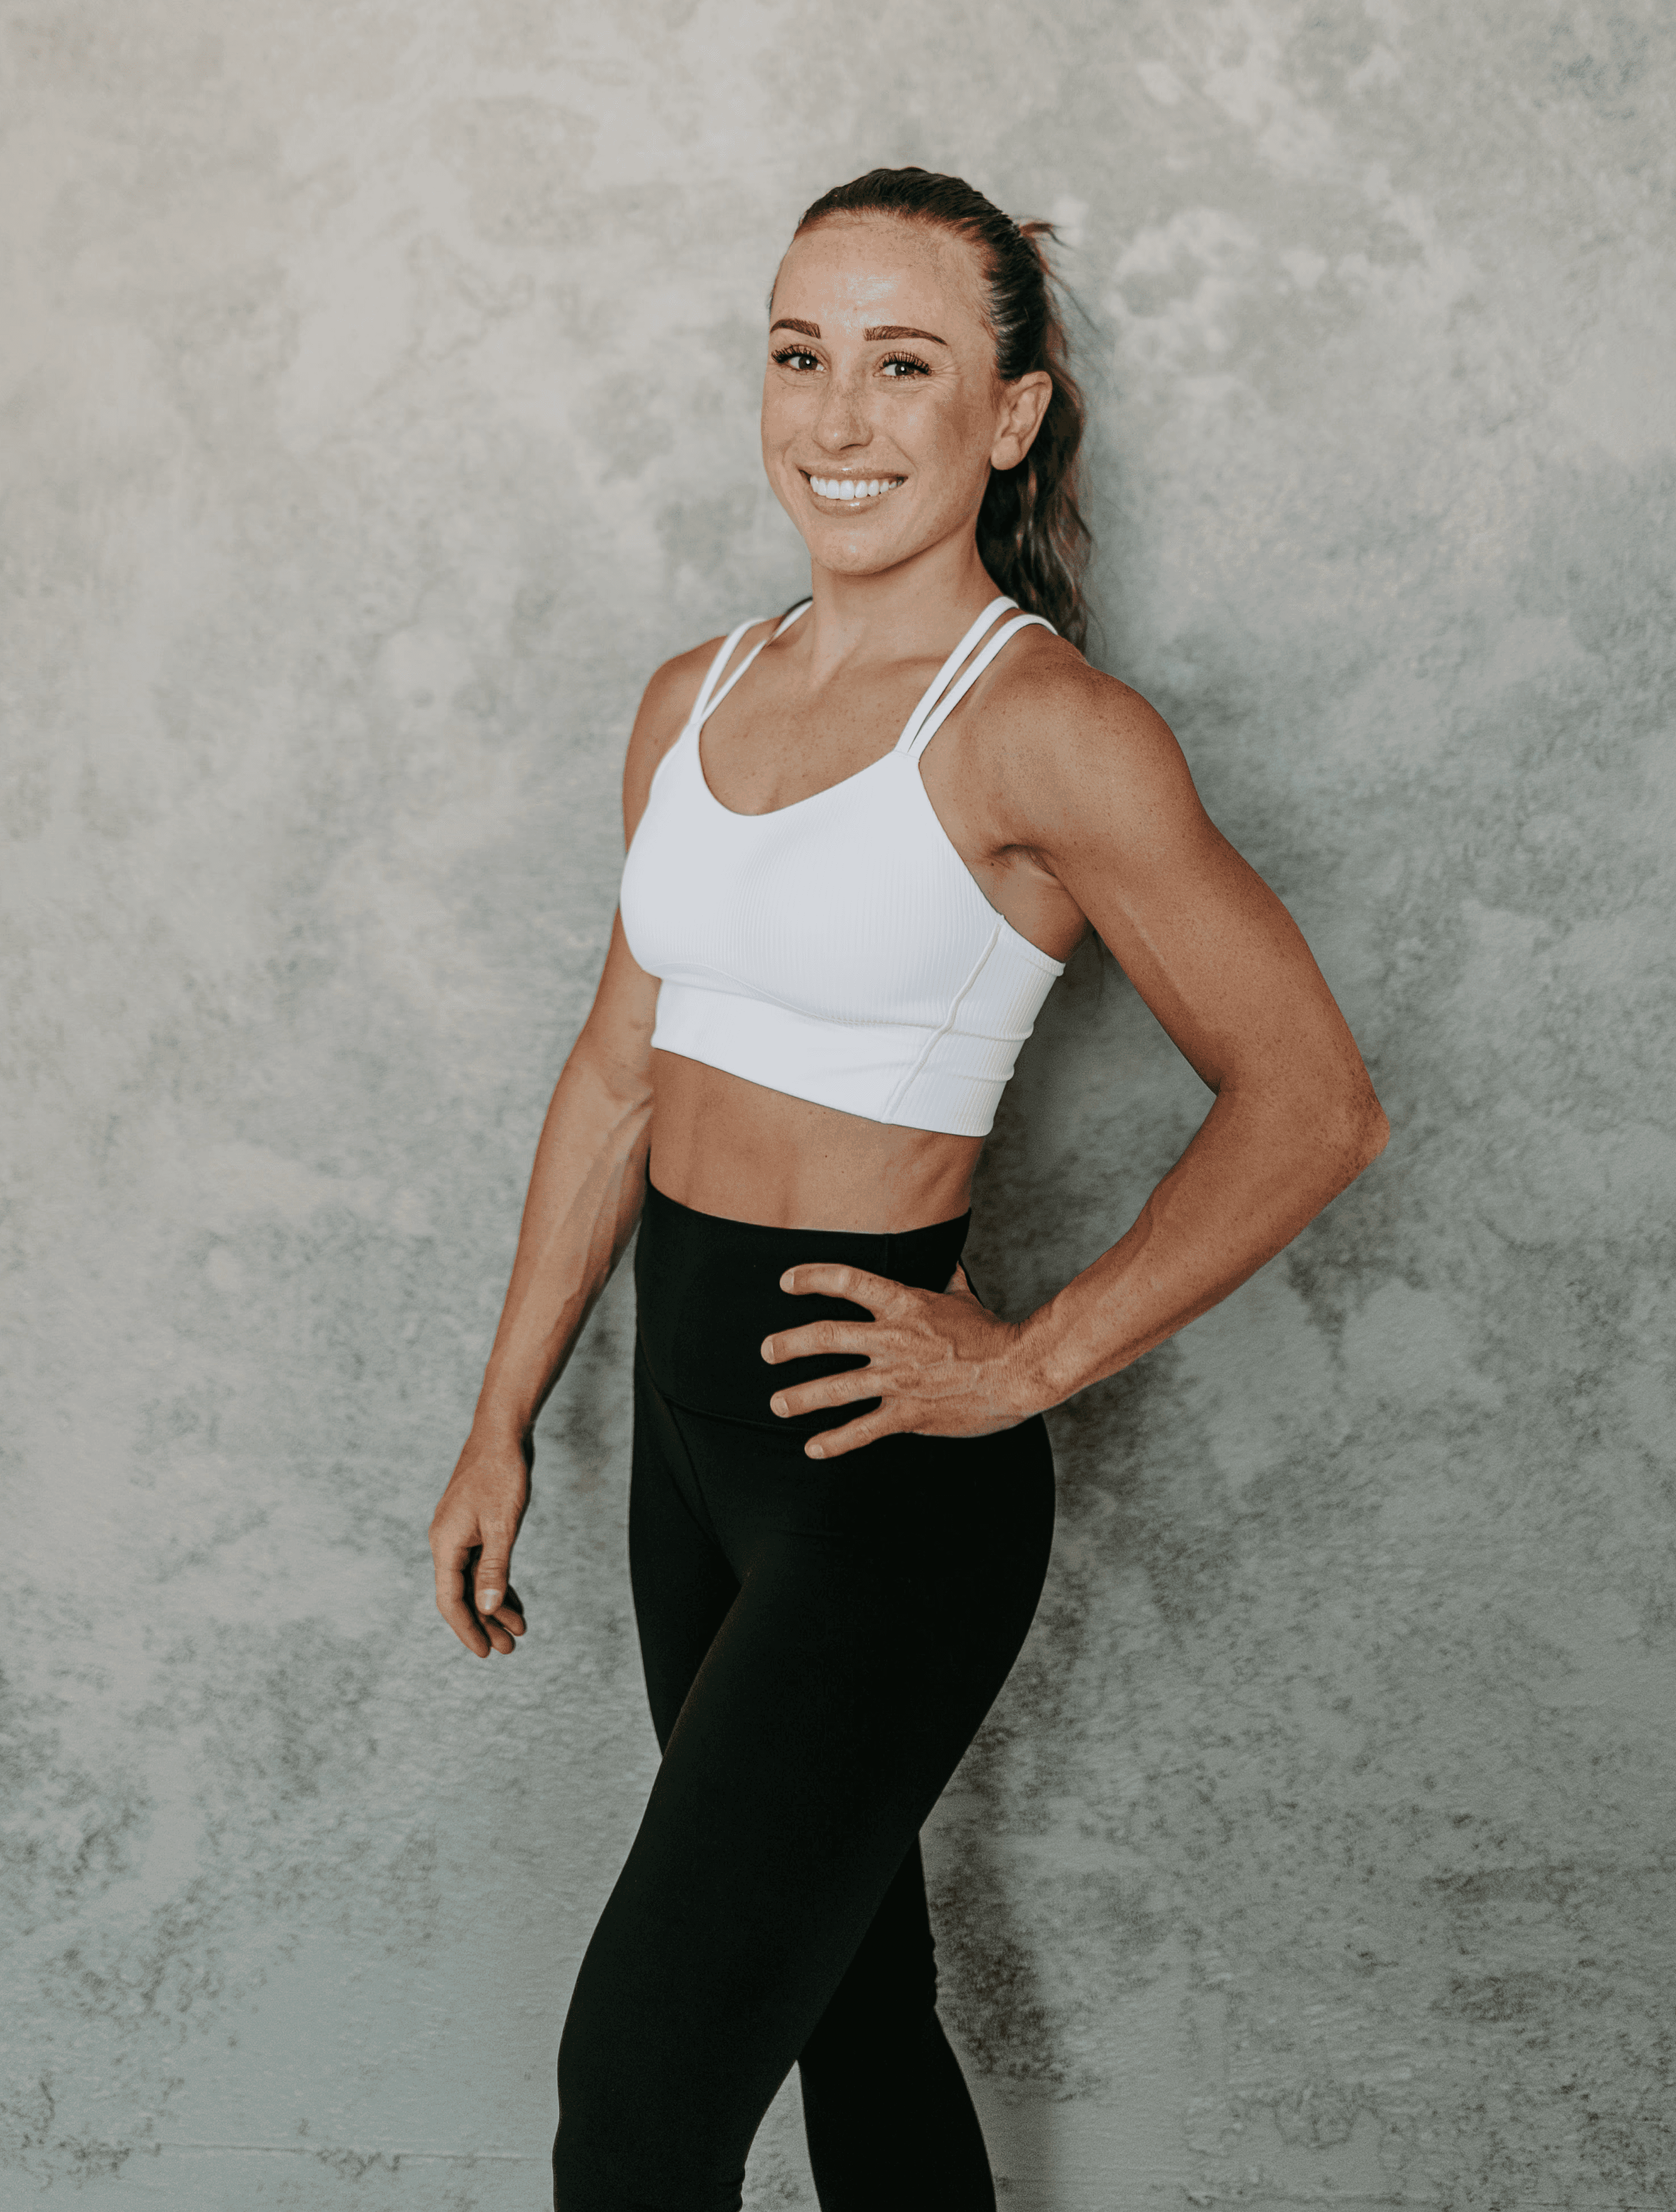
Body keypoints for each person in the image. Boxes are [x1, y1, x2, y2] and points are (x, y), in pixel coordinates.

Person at [427, 165, 1388, 2212]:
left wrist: (1026, 1363)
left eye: (904, 366)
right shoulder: (692, 697)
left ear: (1010, 414)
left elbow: (1312, 1102)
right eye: (801, 358)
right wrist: (503, 1416)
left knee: (643, 2087)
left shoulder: (1045, 731)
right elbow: (617, 1073)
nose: (839, 419)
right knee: (851, 2016)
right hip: (687, 1455)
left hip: (882, 1484)